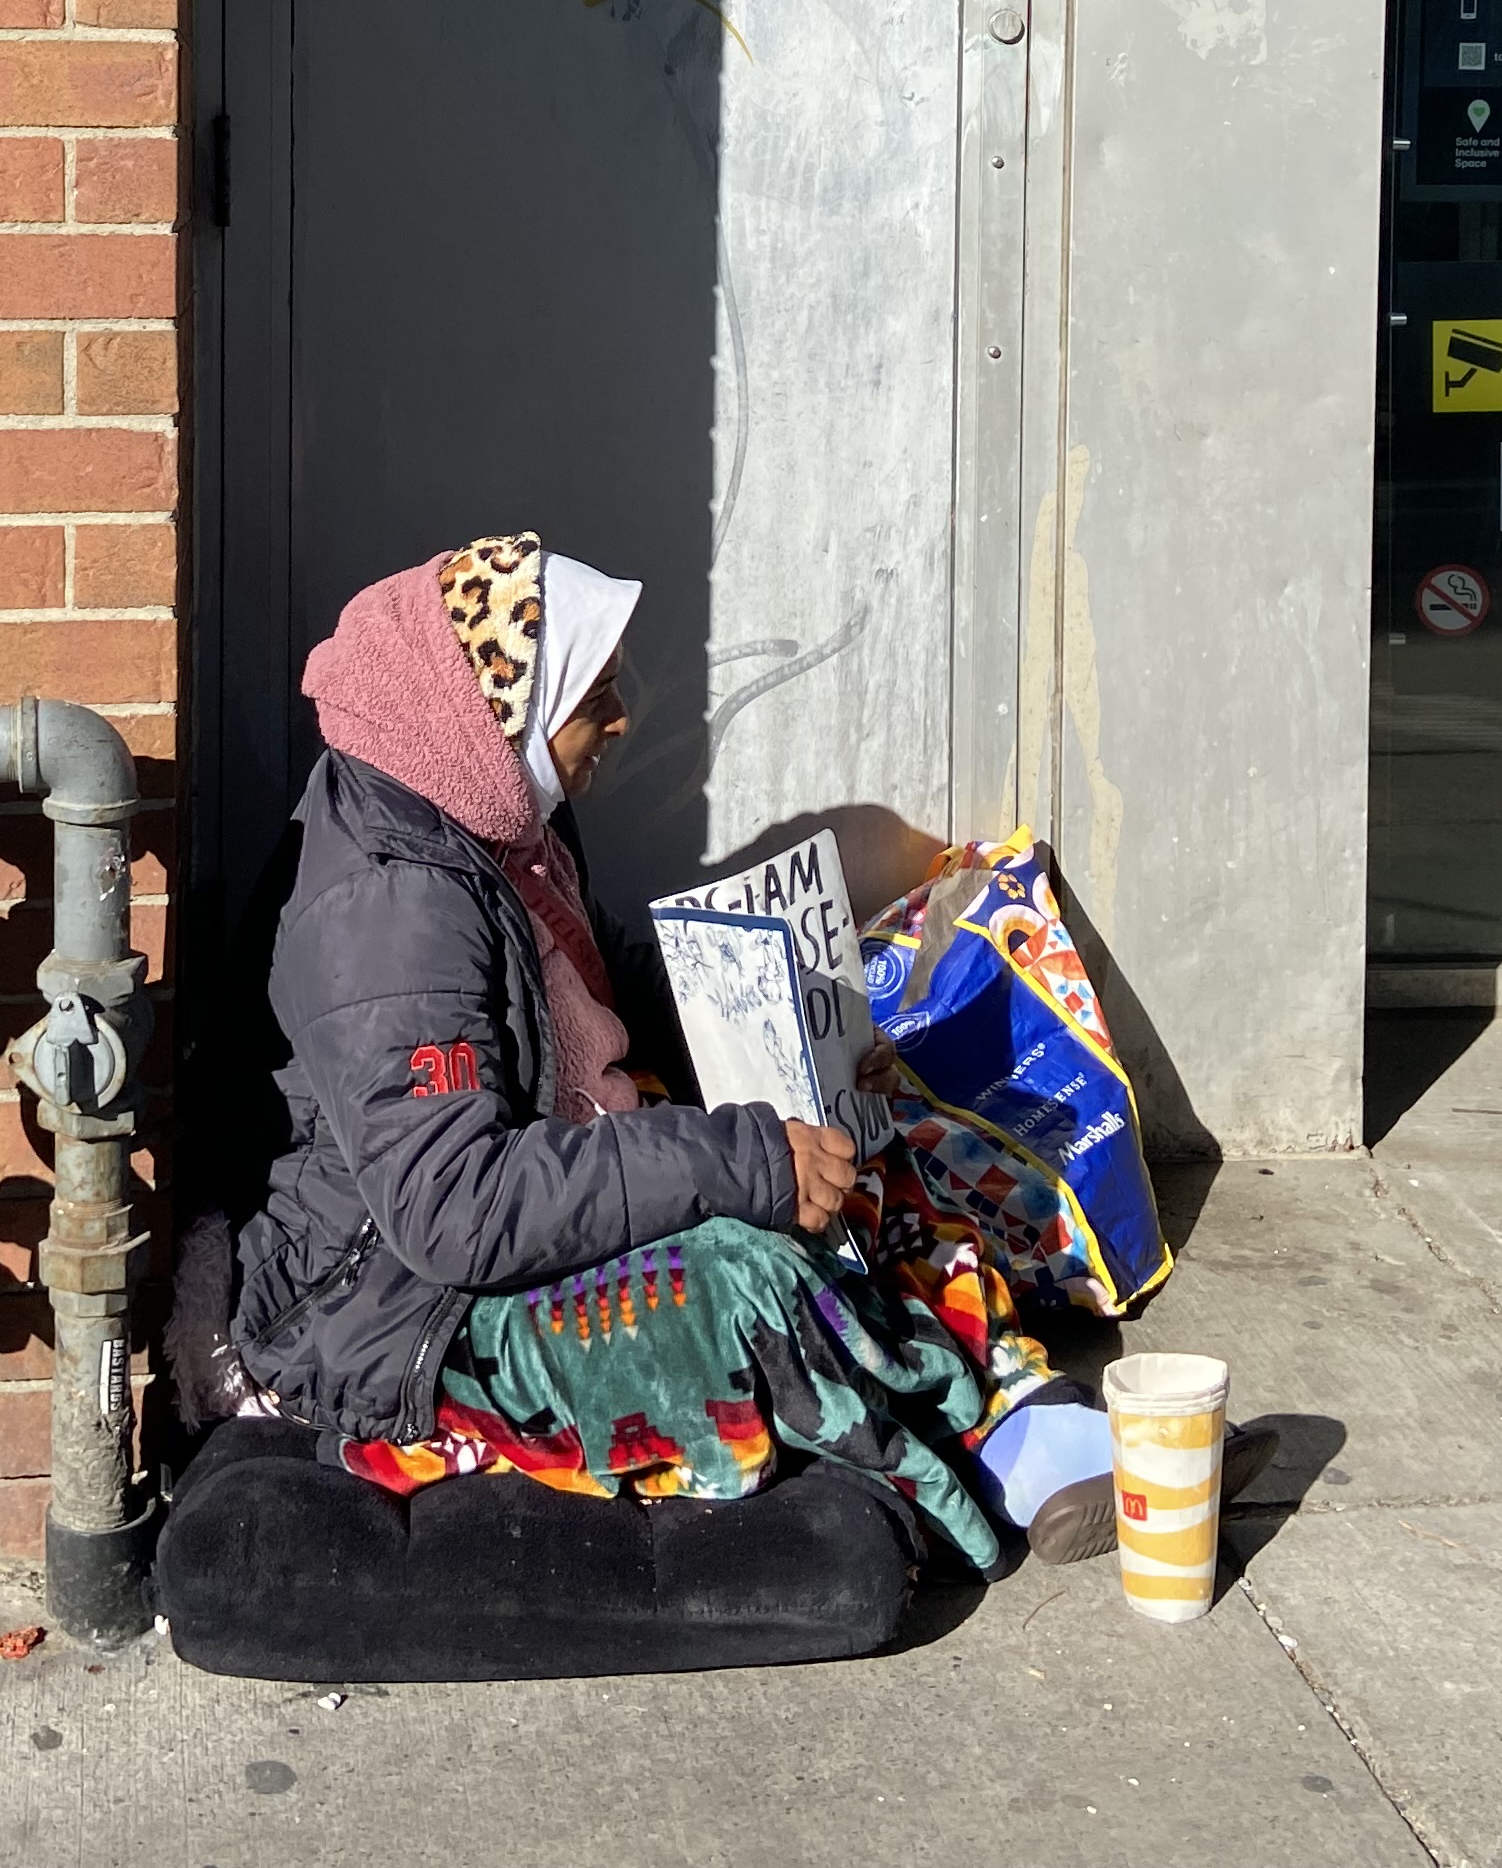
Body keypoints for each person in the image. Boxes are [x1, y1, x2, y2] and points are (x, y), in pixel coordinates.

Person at [224, 532, 1013, 1564]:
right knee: (753, 1280)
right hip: (391, 1318)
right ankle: (985, 1457)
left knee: (876, 1153)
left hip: (520, 1196)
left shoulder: (498, 818)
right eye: (594, 696)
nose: (620, 719)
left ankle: (1011, 1400)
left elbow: (605, 999)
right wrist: (741, 1160)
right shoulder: (393, 906)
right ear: (497, 707)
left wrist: (796, 1044)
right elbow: (454, 1208)